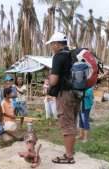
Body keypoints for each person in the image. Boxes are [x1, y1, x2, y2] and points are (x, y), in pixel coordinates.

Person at [46, 32, 80, 164]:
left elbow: (54, 81)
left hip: (65, 94)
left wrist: (49, 79)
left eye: (52, 44)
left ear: (57, 44)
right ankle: (71, 150)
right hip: (76, 93)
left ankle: (69, 156)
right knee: (72, 122)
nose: (51, 47)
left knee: (66, 124)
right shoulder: (73, 56)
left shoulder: (58, 57)